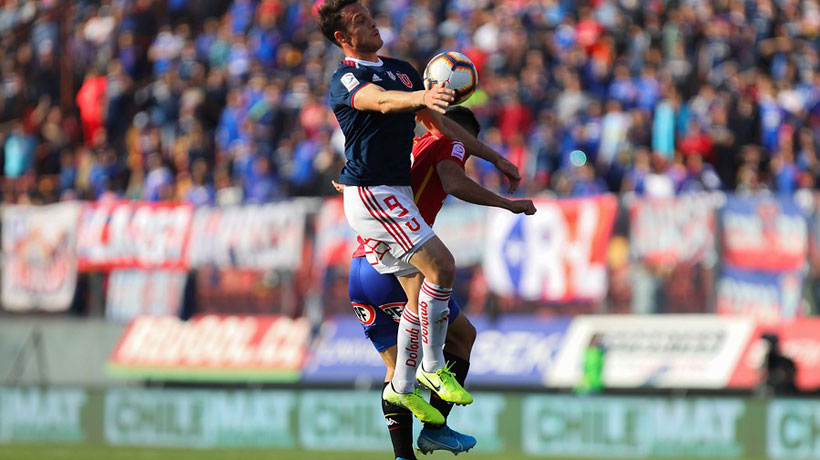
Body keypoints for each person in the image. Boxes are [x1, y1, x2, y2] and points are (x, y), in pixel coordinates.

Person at [318, 0, 524, 423]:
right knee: (443, 268)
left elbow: (444, 126)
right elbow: (379, 102)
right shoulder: (346, 78)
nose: (372, 25)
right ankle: (432, 368)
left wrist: (496, 159)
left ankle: (401, 388)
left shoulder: (404, 69)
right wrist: (418, 96)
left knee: (418, 298)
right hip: (374, 192)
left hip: (393, 195)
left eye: (370, 16)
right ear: (342, 37)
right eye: (360, 22)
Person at [338, 106, 536, 459]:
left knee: (395, 368)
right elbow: (453, 181)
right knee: (463, 338)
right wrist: (506, 204)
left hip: (361, 268)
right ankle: (435, 429)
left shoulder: (406, 147)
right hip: (401, 268)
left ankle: (402, 456)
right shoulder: (449, 140)